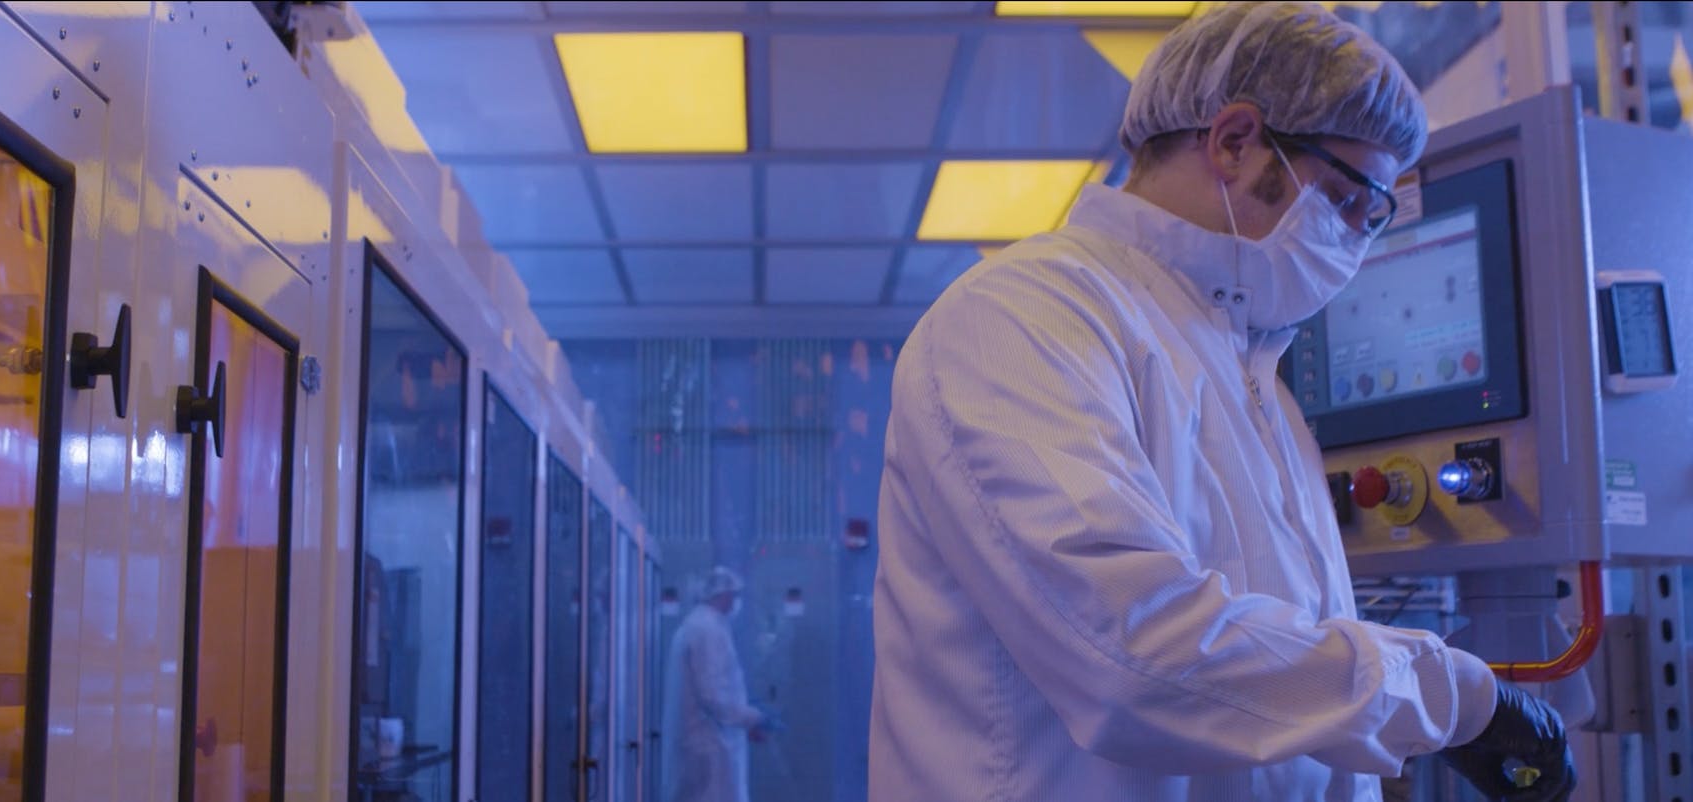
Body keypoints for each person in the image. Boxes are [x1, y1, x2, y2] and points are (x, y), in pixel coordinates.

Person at [868, 3, 1574, 801]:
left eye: (1372, 220)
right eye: (1347, 200)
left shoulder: (1257, 382)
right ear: (1235, 142)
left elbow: (1275, 699)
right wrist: (1455, 699)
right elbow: (1138, 654)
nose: (1353, 241)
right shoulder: (1024, 319)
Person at [661, 567, 767, 802]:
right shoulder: (707, 630)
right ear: (722, 595)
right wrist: (751, 717)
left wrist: (745, 720)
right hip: (708, 748)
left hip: (704, 743)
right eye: (734, 595)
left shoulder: (701, 625)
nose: (736, 602)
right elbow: (714, 695)